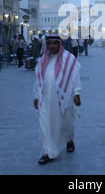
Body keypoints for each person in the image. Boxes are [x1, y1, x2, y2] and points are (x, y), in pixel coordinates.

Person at [34, 34, 82, 165]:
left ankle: (69, 139)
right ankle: (48, 152)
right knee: (45, 124)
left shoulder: (69, 58)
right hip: (46, 99)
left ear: (59, 44)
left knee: (66, 122)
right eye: (49, 43)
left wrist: (77, 93)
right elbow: (38, 79)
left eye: (54, 43)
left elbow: (75, 76)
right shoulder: (43, 60)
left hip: (65, 98)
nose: (52, 46)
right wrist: (36, 96)